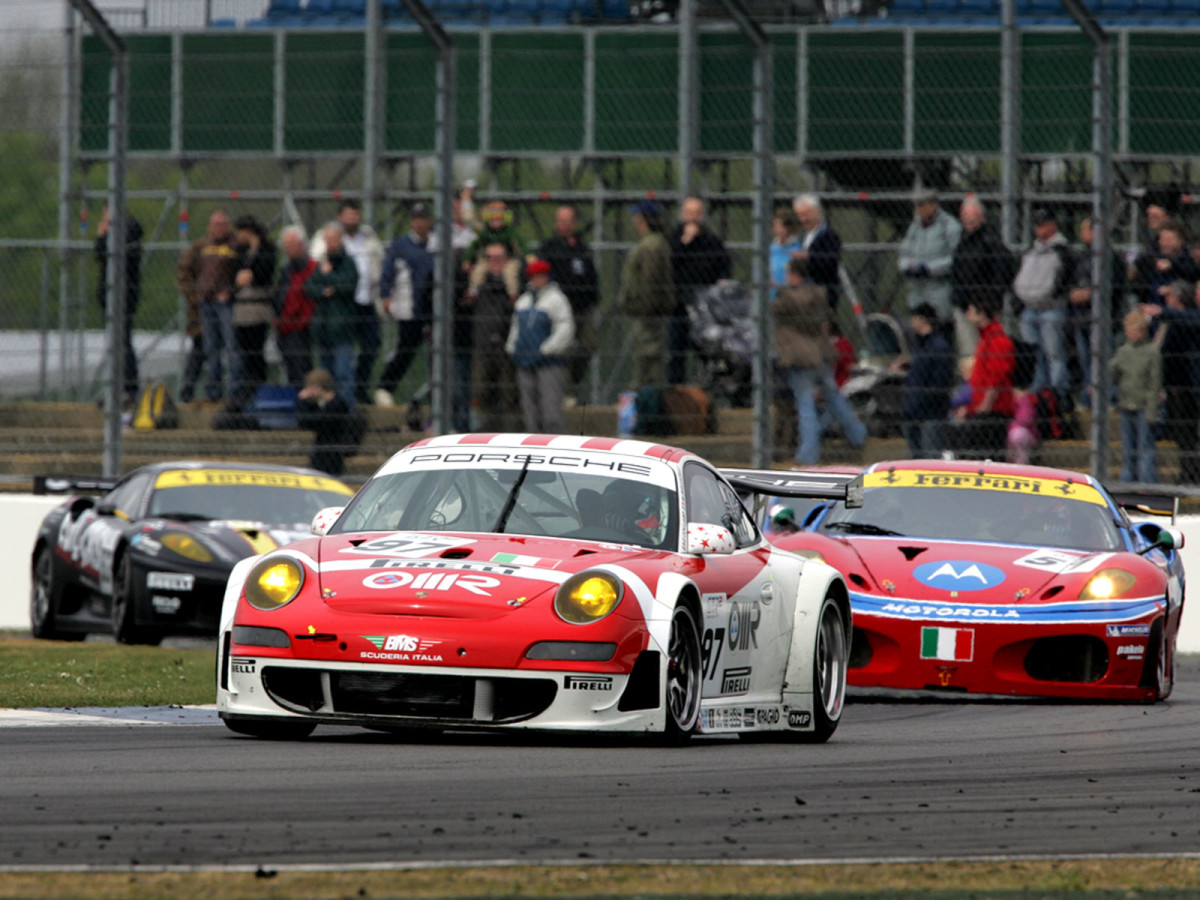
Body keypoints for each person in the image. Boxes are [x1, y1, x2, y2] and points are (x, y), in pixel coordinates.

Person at [772, 257, 867, 465]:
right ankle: (858, 434)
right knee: (834, 397)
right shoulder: (818, 293)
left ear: (795, 275)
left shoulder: (789, 299)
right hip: (823, 354)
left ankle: (808, 454)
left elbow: (784, 305)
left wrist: (775, 287)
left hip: (802, 359)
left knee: (805, 405)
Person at [310, 200, 384, 404]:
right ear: (340, 217)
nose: (353, 218)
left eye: (356, 214)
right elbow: (315, 278)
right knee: (336, 358)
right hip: (338, 309)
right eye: (349, 215)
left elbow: (357, 275)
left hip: (366, 300)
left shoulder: (369, 237)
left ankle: (360, 389)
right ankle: (334, 401)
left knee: (370, 347)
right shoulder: (324, 240)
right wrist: (330, 285)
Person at [375, 204, 435, 408]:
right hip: (410, 307)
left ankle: (436, 397)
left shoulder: (436, 243)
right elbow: (387, 273)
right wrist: (385, 296)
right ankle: (385, 388)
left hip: (434, 308)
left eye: (423, 218)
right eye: (415, 219)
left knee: (436, 354)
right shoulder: (401, 246)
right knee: (406, 349)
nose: (419, 223)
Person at [176, 209, 239, 405]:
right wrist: (195, 296)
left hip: (226, 305)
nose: (218, 228)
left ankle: (235, 391)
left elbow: (244, 272)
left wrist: (231, 291)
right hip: (204, 306)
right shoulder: (200, 247)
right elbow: (183, 272)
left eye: (222, 224)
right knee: (207, 349)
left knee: (231, 347)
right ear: (208, 227)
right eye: (214, 224)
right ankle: (212, 391)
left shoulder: (235, 246)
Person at [506, 258, 575, 434]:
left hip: (549, 363)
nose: (537, 280)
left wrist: (546, 349)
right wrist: (513, 348)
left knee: (550, 410)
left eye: (541, 276)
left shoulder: (557, 300)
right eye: (534, 276)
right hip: (524, 361)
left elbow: (565, 328)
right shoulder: (523, 301)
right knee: (529, 410)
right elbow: (515, 327)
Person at [1141, 280, 1200, 484]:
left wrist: (1163, 311)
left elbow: (1187, 318)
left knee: (1188, 433)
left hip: (1188, 386)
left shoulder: (1185, 317)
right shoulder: (1171, 319)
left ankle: (1191, 474)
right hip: (1176, 387)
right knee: (1183, 435)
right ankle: (1188, 473)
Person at [669, 197, 731, 384]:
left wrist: (722, 283)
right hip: (678, 305)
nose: (692, 218)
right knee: (675, 350)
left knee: (707, 352)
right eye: (689, 214)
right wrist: (686, 240)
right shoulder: (673, 238)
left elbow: (724, 267)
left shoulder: (712, 241)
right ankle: (675, 390)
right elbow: (669, 262)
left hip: (705, 306)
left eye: (696, 214)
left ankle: (705, 388)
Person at [1068, 216, 1128, 409]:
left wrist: (1091, 294)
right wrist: (1073, 294)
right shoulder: (1083, 256)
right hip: (1082, 318)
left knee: (1104, 361)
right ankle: (1088, 399)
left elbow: (1115, 287)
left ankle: (1108, 398)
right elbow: (1073, 282)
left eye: (1085, 229)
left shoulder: (1110, 256)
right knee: (1086, 362)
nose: (1082, 233)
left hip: (1103, 319)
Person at [537, 205, 600, 390]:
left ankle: (574, 380)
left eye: (568, 221)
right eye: (561, 222)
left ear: (574, 223)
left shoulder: (582, 247)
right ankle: (563, 391)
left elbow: (591, 275)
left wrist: (594, 296)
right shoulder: (549, 248)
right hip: (561, 308)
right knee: (563, 349)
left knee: (589, 345)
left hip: (583, 307)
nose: (564, 225)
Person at [1012, 208, 1073, 397]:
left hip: (1052, 309)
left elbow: (1063, 280)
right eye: (1037, 224)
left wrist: (1052, 295)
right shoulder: (1032, 250)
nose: (1040, 228)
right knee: (1034, 355)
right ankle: (1037, 393)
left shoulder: (1062, 250)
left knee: (1054, 354)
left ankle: (1057, 394)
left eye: (1044, 224)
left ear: (1053, 225)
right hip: (1030, 308)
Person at [946, 297, 1016, 460]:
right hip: (981, 408)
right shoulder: (986, 339)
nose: (968, 315)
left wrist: (985, 405)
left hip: (992, 411)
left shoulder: (997, 340)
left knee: (985, 455)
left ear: (982, 314)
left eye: (971, 311)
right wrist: (970, 407)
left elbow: (996, 378)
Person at [617, 199, 676, 391]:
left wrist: (646, 308)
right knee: (647, 354)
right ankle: (648, 395)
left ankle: (646, 397)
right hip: (647, 311)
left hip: (648, 313)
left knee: (648, 356)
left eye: (638, 216)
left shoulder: (651, 245)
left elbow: (650, 280)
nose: (635, 221)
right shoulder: (653, 243)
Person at [225, 215, 277, 414]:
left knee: (256, 352)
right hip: (242, 310)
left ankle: (257, 391)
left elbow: (263, 274)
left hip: (258, 309)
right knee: (244, 353)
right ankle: (244, 394)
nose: (238, 237)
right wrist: (241, 277)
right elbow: (237, 276)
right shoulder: (240, 252)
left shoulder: (267, 250)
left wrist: (252, 269)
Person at [950, 197, 1013, 360]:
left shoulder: (991, 241)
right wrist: (959, 299)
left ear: (982, 218)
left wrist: (989, 302)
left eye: (973, 216)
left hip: (984, 309)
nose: (969, 220)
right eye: (966, 216)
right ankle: (973, 383)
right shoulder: (962, 242)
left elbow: (1002, 273)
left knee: (989, 350)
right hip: (964, 305)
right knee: (969, 352)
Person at [304, 223, 360, 407]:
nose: (330, 243)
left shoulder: (348, 263)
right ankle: (327, 411)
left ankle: (346, 410)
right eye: (327, 239)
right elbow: (310, 287)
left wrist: (328, 278)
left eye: (333, 239)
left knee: (343, 374)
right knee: (324, 378)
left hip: (342, 329)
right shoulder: (321, 263)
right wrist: (324, 291)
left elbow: (348, 285)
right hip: (323, 329)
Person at [93, 204, 143, 406]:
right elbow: (99, 254)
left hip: (123, 296)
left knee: (123, 342)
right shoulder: (113, 233)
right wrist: (102, 234)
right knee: (114, 343)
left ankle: (128, 388)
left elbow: (110, 252)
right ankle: (115, 388)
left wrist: (104, 234)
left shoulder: (128, 232)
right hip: (109, 295)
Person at [468, 241, 521, 431]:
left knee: (509, 393)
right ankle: (483, 433)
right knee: (481, 391)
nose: (494, 262)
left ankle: (511, 434)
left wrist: (512, 287)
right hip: (483, 345)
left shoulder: (516, 284)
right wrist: (475, 281)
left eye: (499, 258)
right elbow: (464, 304)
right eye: (489, 258)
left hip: (507, 347)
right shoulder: (478, 284)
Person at [1109, 310, 1162, 484]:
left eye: (1134, 330)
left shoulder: (1152, 352)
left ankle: (1148, 484)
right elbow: (1111, 373)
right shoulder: (1123, 351)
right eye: (1128, 330)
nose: (1131, 333)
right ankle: (1127, 482)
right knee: (1127, 449)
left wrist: (1152, 412)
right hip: (1126, 405)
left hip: (1144, 407)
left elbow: (1155, 384)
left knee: (1145, 448)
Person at [896, 302, 954, 459]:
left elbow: (939, 383)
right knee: (914, 457)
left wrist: (919, 402)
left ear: (922, 319)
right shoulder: (920, 346)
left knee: (930, 455)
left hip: (930, 413)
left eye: (914, 318)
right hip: (913, 412)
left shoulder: (938, 347)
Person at [898, 188, 961, 327]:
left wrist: (928, 269)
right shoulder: (915, 226)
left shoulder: (949, 226)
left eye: (922, 205)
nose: (918, 210)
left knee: (940, 333)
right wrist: (906, 266)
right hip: (916, 293)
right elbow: (904, 252)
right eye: (916, 206)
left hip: (939, 293)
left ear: (934, 205)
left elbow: (956, 259)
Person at [274, 224, 317, 390]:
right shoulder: (286, 270)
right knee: (290, 369)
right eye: (286, 245)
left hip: (300, 328)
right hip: (284, 327)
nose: (289, 249)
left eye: (292, 244)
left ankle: (306, 406)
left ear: (302, 245)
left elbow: (310, 300)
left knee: (302, 370)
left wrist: (301, 322)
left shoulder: (311, 268)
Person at [296, 368, 354, 477]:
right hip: (323, 451)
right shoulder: (324, 404)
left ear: (318, 387)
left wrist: (302, 401)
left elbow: (315, 422)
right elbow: (305, 422)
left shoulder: (336, 405)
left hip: (331, 453)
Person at [792, 193, 843, 309]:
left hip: (822, 293)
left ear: (817, 212)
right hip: (804, 292)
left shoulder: (829, 236)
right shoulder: (803, 236)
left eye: (806, 214)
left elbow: (831, 262)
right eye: (800, 215)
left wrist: (807, 257)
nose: (803, 219)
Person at [770, 207, 802, 297]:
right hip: (769, 296)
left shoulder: (797, 249)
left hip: (788, 297)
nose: (777, 230)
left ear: (789, 228)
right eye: (775, 226)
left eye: (780, 226)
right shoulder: (770, 249)